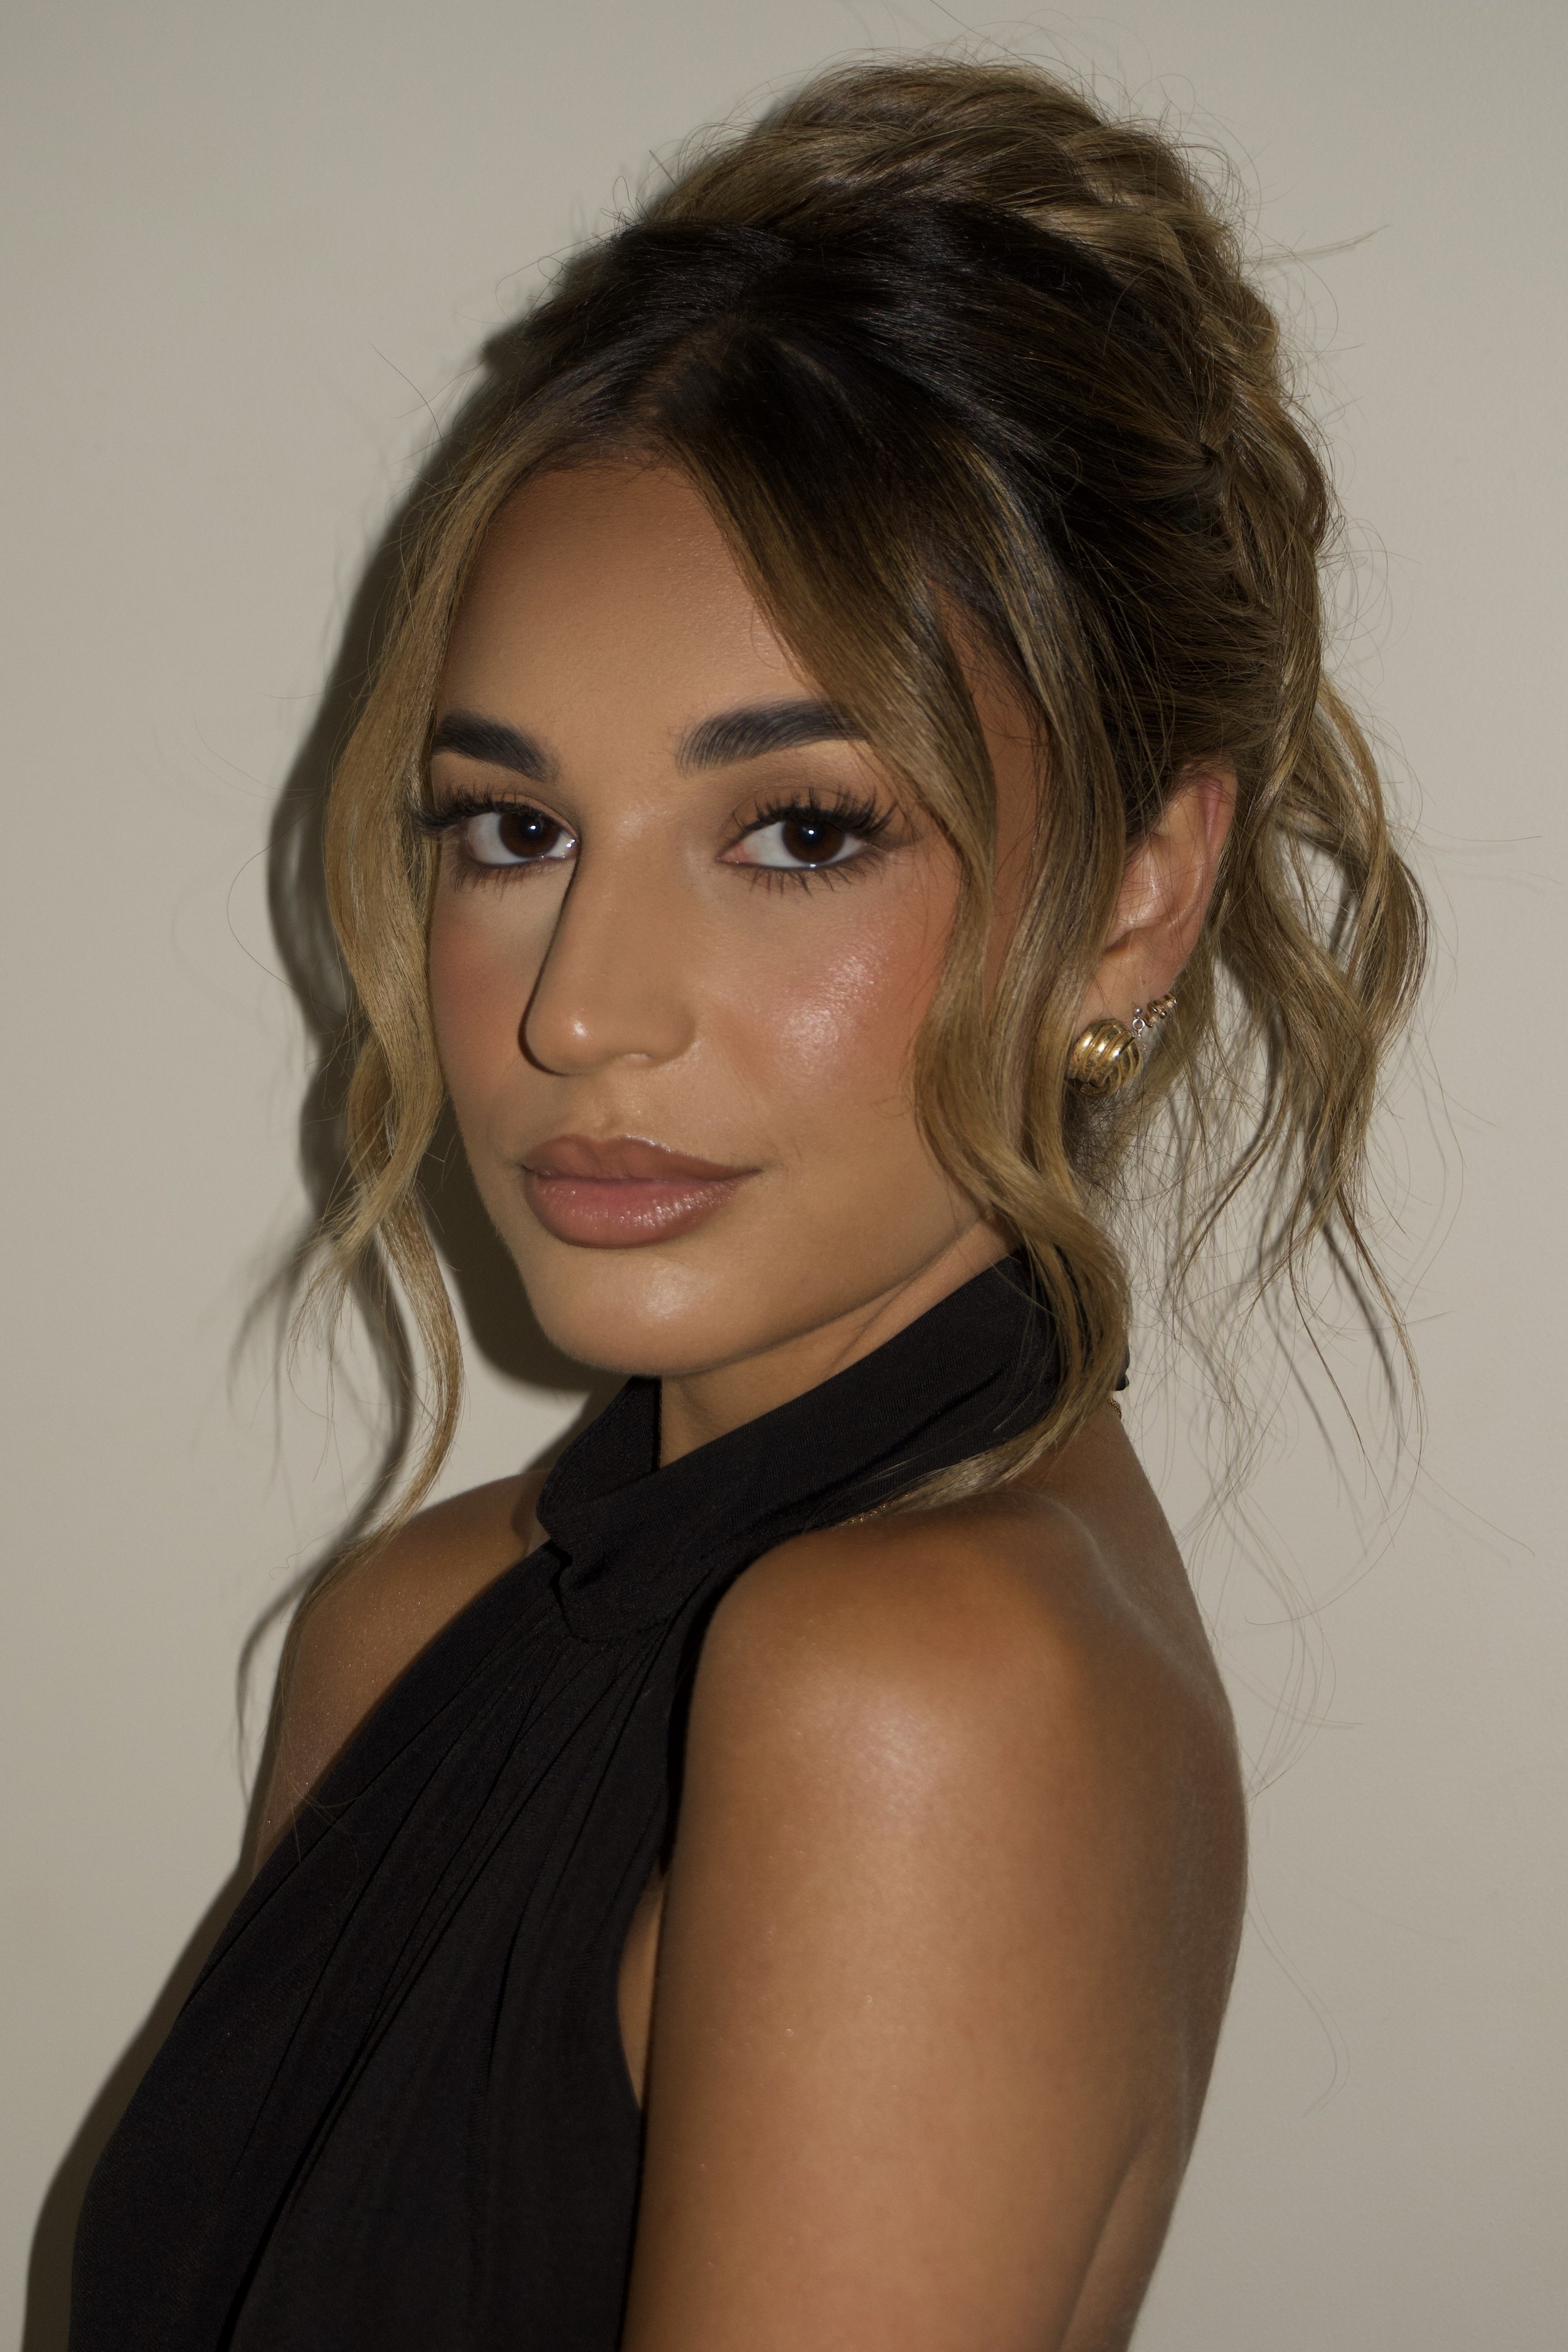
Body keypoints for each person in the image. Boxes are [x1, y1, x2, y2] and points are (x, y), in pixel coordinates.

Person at [68, 53, 1425, 2352]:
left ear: (1133, 888)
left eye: (799, 829)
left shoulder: (924, 1691)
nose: (580, 1011)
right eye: (509, 828)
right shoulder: (411, 1627)